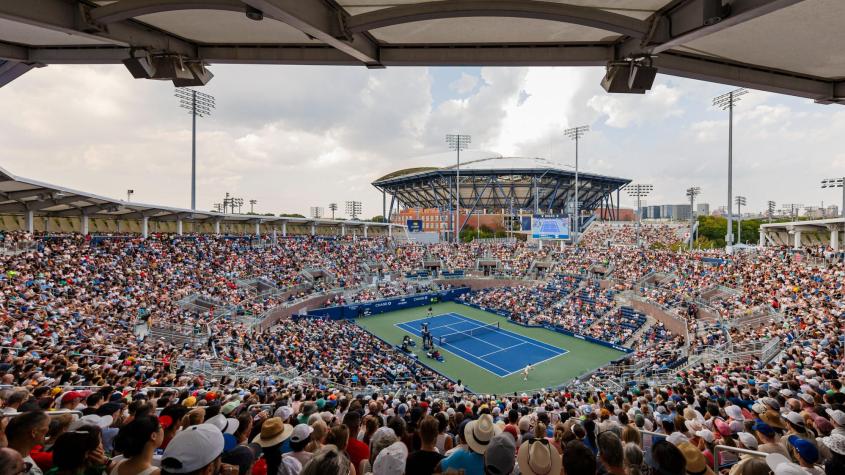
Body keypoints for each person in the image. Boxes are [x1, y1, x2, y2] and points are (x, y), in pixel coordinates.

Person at [5, 411, 50, 475]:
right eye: (46, 428)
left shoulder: (4, 457)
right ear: (34, 433)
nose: (48, 430)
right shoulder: (31, 471)